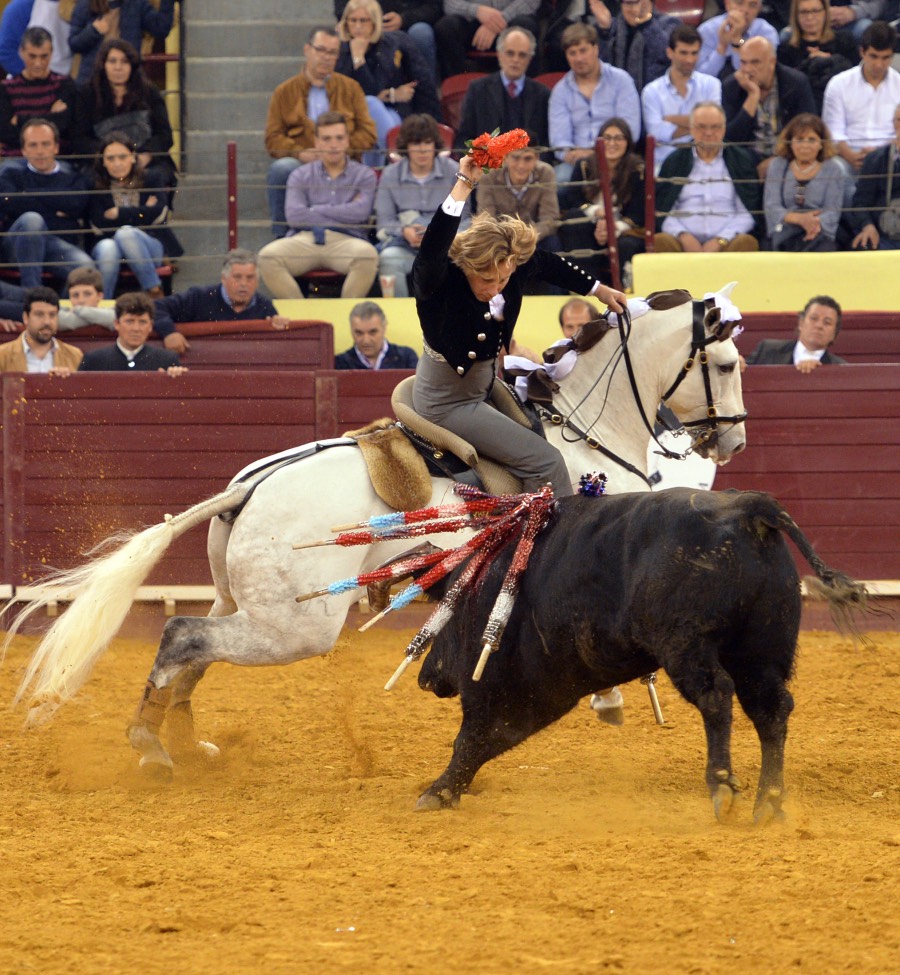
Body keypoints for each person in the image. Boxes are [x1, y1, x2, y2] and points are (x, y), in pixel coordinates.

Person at [409, 151, 626, 498]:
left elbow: (549, 264)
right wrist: (464, 184)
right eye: (486, 280)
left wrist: (599, 289)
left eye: (504, 279)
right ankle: (551, 533)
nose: (496, 287)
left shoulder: (511, 266)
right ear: (466, 267)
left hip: (484, 388)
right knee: (547, 461)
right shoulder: (439, 282)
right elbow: (432, 249)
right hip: (448, 404)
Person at [264, 26, 376, 236]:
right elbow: (273, 138)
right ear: (307, 50)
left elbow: (368, 133)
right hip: (303, 164)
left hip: (343, 162)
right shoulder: (284, 92)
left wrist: (338, 149)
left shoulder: (351, 88)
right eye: (321, 50)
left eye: (332, 52)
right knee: (282, 168)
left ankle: (348, 233)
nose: (326, 57)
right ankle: (281, 237)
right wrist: (300, 153)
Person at [258, 112, 378, 301]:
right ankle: (300, 314)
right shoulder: (300, 174)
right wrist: (345, 208)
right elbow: (295, 216)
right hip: (305, 238)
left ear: (347, 140)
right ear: (316, 142)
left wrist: (315, 209)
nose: (333, 145)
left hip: (347, 240)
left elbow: (361, 213)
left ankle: (348, 314)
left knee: (368, 256)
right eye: (326, 139)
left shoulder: (364, 175)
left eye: (339, 138)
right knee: (267, 257)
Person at [548, 22, 642, 201]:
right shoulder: (560, 91)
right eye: (572, 53)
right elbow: (559, 141)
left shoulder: (621, 81)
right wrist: (574, 155)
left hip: (618, 158)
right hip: (576, 163)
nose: (579, 58)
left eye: (583, 51)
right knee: (556, 181)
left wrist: (597, 153)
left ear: (596, 49)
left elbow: (631, 131)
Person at [374, 113, 463, 299]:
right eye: (416, 143)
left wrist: (440, 236)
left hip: (446, 246)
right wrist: (404, 231)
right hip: (405, 245)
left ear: (435, 145)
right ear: (406, 146)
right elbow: (384, 221)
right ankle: (396, 313)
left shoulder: (454, 171)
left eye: (427, 143)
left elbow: (466, 218)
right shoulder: (390, 175)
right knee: (389, 259)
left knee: (466, 258)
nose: (422, 150)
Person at [654, 102, 762, 252]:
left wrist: (721, 239)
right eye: (701, 127)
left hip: (728, 242)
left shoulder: (741, 160)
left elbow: (748, 212)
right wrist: (683, 236)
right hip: (682, 243)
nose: (709, 133)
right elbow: (664, 210)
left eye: (715, 127)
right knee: (660, 241)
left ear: (724, 128)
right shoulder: (674, 161)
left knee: (746, 242)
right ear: (691, 128)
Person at [0, 118, 95, 289]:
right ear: (23, 150)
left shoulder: (73, 175)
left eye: (45, 144)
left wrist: (28, 193)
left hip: (57, 245)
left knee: (86, 270)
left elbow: (75, 204)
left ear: (56, 147)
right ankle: (32, 294)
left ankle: (57, 306)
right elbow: (9, 203)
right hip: (17, 245)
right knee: (32, 220)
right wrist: (57, 206)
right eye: (33, 145)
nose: (40, 151)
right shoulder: (10, 173)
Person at [334, 0, 441, 150]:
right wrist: (358, 58)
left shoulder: (392, 44)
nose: (358, 26)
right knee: (370, 104)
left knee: (373, 106)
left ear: (375, 22)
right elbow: (349, 94)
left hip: (393, 110)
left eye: (363, 20)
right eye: (353, 20)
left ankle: (392, 154)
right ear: (345, 23)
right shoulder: (338, 50)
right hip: (351, 117)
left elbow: (422, 84)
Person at [88, 132, 181, 299]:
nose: (117, 164)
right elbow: (99, 223)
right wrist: (142, 211)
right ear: (103, 162)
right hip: (109, 247)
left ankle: (153, 289)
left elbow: (159, 213)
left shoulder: (151, 178)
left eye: (122, 157)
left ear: (132, 157)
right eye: (110, 159)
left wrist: (119, 213)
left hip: (148, 246)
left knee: (126, 233)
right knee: (109, 247)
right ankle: (103, 303)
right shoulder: (95, 185)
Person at [77, 38, 178, 191]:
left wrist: (145, 156)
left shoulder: (149, 92)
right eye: (112, 61)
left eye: (124, 62)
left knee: (157, 177)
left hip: (144, 159)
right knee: (89, 181)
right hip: (102, 162)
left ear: (132, 65)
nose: (118, 67)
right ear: (103, 65)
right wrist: (112, 158)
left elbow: (164, 136)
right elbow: (80, 139)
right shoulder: (87, 94)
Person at [559, 117, 644, 287]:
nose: (612, 143)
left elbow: (637, 213)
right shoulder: (584, 165)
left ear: (628, 142)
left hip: (623, 229)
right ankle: (586, 285)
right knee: (574, 221)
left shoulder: (638, 169)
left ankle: (622, 290)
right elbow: (573, 200)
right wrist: (596, 212)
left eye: (618, 138)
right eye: (607, 138)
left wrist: (612, 228)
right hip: (591, 222)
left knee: (627, 245)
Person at [151, 250, 290, 354]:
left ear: (258, 281)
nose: (244, 284)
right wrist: (169, 333)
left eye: (250, 278)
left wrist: (278, 323)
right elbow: (156, 307)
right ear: (224, 278)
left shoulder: (265, 306)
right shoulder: (198, 297)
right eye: (237, 277)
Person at [822, 21, 900, 200]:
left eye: (885, 58)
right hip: (848, 156)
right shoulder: (839, 84)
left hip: (890, 159)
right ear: (862, 52)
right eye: (874, 56)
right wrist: (849, 154)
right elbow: (832, 131)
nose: (879, 64)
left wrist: (879, 155)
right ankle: (857, 216)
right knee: (836, 170)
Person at [722, 36, 816, 174]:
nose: (748, 69)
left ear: (772, 62)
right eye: (743, 62)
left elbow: (808, 130)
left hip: (789, 155)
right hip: (747, 160)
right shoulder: (732, 86)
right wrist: (752, 97)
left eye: (755, 62)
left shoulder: (796, 83)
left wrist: (777, 161)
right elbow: (730, 140)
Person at [642, 24, 723, 170]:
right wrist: (699, 126)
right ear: (670, 53)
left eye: (694, 53)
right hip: (663, 163)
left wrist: (670, 119)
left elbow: (713, 125)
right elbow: (656, 133)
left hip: (703, 161)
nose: (689, 60)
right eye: (683, 53)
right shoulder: (651, 91)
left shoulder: (712, 85)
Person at [457, 27, 550, 151]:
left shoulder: (542, 94)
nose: (515, 60)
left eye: (522, 55)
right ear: (499, 54)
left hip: (529, 161)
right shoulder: (478, 90)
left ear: (530, 59)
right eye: (510, 53)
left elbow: (546, 142)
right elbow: (464, 138)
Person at [763, 112, 844, 249]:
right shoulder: (778, 165)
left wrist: (812, 225)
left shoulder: (833, 169)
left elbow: (832, 211)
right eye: (800, 139)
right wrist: (800, 219)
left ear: (821, 144)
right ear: (790, 143)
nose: (805, 145)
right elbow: (771, 207)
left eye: (812, 140)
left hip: (818, 233)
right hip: (785, 232)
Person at [0, 25, 82, 160]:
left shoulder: (64, 85)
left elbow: (65, 126)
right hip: (16, 160)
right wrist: (51, 117)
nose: (38, 63)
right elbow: (5, 133)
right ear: (21, 52)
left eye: (44, 56)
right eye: (32, 56)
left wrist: (21, 120)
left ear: (51, 53)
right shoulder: (5, 89)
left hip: (57, 160)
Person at [476, 139, 561, 252]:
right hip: (499, 238)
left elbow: (550, 218)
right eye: (515, 158)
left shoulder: (545, 172)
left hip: (533, 236)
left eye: (528, 159)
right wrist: (505, 239)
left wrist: (528, 237)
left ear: (537, 158)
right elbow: (485, 217)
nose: (521, 165)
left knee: (552, 243)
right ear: (505, 157)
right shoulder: (489, 175)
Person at [68, 0, 177, 86]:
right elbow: (74, 44)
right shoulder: (85, 5)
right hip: (93, 81)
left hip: (129, 82)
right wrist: (93, 31)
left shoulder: (136, 4)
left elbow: (160, 29)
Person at [777, 0, 859, 112]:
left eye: (815, 11)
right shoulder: (786, 49)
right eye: (804, 12)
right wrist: (809, 63)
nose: (810, 17)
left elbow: (856, 78)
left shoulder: (845, 42)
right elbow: (786, 87)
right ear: (796, 15)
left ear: (825, 12)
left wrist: (830, 60)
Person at [79, 289, 185, 374]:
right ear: (117, 324)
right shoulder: (93, 360)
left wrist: (177, 379)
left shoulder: (166, 360)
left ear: (150, 326)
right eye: (129, 321)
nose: (136, 328)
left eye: (142, 322)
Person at [433, 0, 541, 80]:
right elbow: (450, 4)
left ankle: (525, 91)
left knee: (526, 27)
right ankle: (458, 88)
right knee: (446, 27)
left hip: (512, 19)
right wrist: (477, 11)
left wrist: (501, 19)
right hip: (473, 21)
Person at [743, 294, 846, 369]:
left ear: (835, 333)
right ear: (801, 323)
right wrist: (736, 365)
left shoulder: (841, 368)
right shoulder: (767, 350)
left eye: (827, 322)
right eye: (814, 318)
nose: (819, 326)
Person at [334, 0, 441, 73]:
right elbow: (341, 8)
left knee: (421, 33)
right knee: (342, 32)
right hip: (368, 23)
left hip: (409, 24)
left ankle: (424, 88)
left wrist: (404, 19)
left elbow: (434, 7)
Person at [595, 0, 679, 91]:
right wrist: (604, 32)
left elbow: (665, 55)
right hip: (618, 94)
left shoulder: (669, 23)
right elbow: (601, 64)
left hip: (655, 95)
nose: (634, 9)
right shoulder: (612, 27)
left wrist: (646, 24)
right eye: (629, 3)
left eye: (638, 2)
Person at [849, 101, 900, 250]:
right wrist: (868, 226)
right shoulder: (876, 159)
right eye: (899, 120)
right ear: (893, 124)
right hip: (884, 234)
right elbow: (860, 202)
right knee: (864, 244)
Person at [0, 285, 83, 374]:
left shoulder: (75, 355)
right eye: (39, 314)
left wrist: (66, 381)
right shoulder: (2, 355)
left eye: (52, 315)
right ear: (25, 317)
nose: (47, 322)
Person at [698, 0, 780, 79]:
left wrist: (738, 40)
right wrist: (722, 47)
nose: (745, 10)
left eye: (752, 5)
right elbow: (701, 76)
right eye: (739, 3)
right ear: (727, 4)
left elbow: (756, 75)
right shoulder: (708, 30)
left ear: (759, 9)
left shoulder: (766, 33)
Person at [334, 299, 419, 369]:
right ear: (351, 331)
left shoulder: (406, 358)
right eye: (359, 333)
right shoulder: (339, 363)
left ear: (384, 328)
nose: (366, 340)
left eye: (373, 332)